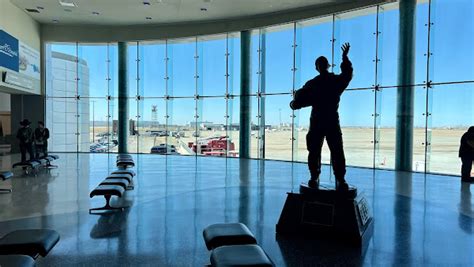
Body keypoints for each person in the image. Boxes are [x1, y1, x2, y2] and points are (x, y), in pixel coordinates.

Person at [290, 43, 353, 190]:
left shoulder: (313, 84)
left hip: (317, 121)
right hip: (332, 121)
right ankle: (340, 179)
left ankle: (314, 176)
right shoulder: (336, 81)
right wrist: (345, 58)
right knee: (336, 151)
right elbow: (347, 74)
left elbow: (300, 100)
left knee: (314, 150)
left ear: (317, 67)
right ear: (328, 66)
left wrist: (293, 103)